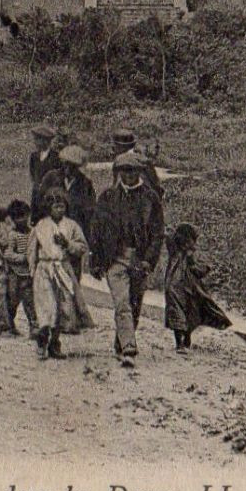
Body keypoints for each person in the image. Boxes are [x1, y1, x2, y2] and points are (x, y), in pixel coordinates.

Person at [88, 151, 165, 368]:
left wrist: (149, 260)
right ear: (118, 173)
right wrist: (96, 259)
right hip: (115, 258)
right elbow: (96, 230)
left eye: (132, 171)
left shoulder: (151, 199)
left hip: (139, 259)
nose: (128, 176)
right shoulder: (108, 198)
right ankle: (130, 346)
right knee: (122, 303)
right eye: (123, 171)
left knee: (134, 303)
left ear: (139, 172)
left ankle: (120, 344)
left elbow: (158, 233)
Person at [28, 188, 91, 360]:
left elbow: (82, 247)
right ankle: (42, 340)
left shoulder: (71, 226)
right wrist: (32, 270)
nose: (59, 210)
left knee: (63, 307)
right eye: (56, 206)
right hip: (45, 269)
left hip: (63, 268)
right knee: (47, 307)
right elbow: (32, 250)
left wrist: (67, 244)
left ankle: (54, 343)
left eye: (62, 206)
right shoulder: (41, 226)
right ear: (49, 208)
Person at [163, 223, 231, 352]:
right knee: (181, 313)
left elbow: (197, 269)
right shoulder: (177, 250)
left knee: (185, 312)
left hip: (182, 286)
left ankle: (183, 341)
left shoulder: (183, 252)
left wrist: (204, 268)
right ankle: (181, 343)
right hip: (180, 286)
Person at [35, 145, 96, 232]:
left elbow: (90, 209)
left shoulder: (85, 183)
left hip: (74, 229)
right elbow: (39, 201)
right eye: (67, 164)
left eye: (74, 166)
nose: (69, 168)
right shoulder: (51, 177)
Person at [0, 200, 35, 334]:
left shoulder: (33, 233)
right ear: (13, 219)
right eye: (17, 218)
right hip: (15, 273)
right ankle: (8, 326)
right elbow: (7, 253)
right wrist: (22, 258)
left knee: (30, 301)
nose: (22, 220)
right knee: (12, 300)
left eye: (24, 216)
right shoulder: (12, 235)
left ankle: (34, 326)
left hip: (29, 273)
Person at [28, 123, 61, 211]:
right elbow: (32, 174)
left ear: (45, 141)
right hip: (36, 195)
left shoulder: (56, 157)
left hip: (50, 195)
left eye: (37, 139)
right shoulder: (34, 156)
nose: (34, 142)